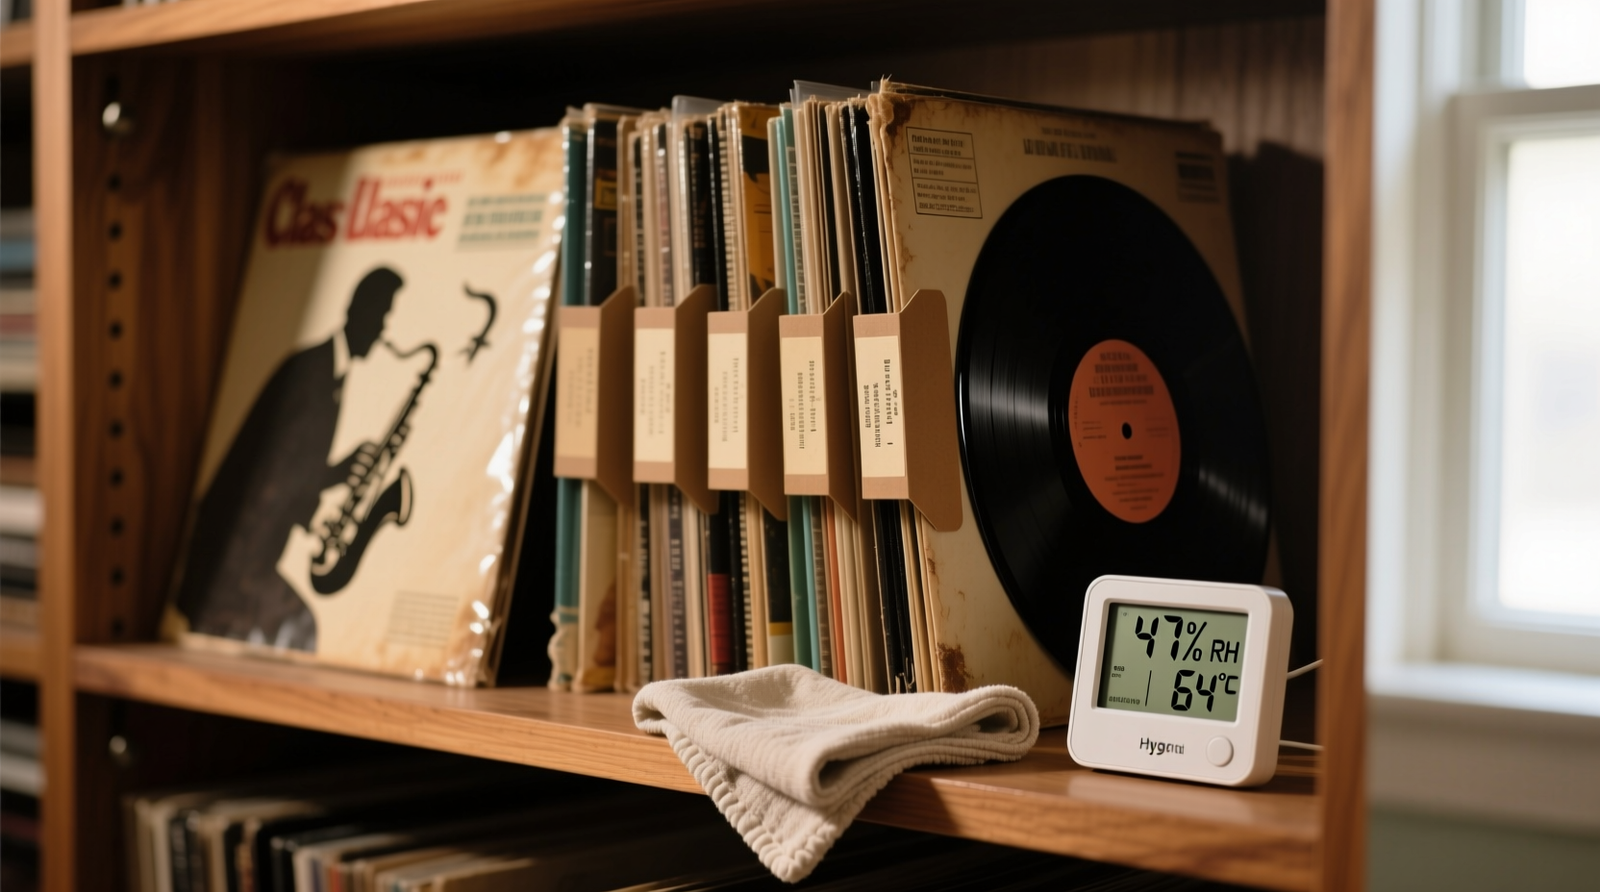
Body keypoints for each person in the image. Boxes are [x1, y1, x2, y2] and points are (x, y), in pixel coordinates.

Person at [173, 267, 403, 651]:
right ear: (358, 311)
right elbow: (272, 483)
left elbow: (290, 468)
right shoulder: (313, 373)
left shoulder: (325, 371)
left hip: (242, 561)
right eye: (381, 318)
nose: (382, 333)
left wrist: (339, 473)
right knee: (303, 633)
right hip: (235, 568)